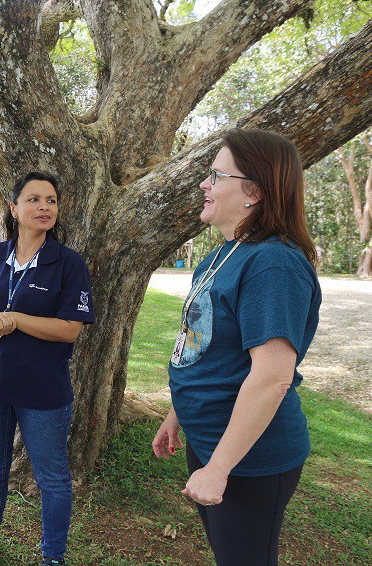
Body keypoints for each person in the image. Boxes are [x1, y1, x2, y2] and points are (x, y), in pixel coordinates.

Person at [152, 128, 321, 566]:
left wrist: (220, 467)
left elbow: (272, 376)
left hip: (251, 458)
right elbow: (200, 345)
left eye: (216, 175)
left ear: (255, 192)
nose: (205, 185)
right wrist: (177, 414)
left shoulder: (273, 263)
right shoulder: (224, 255)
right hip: (209, 438)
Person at [0, 171, 95, 566]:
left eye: (51, 200)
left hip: (42, 392)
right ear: (14, 209)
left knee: (52, 479)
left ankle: (52, 558)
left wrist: (14, 319)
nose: (44, 207)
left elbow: (70, 330)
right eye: (33, 199)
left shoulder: (68, 263)